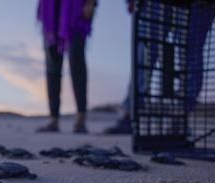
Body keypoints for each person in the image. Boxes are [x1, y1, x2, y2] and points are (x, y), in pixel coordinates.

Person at [103, 0, 215, 134]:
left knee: (191, 53)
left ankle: (179, 118)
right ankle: (130, 114)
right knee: (146, 49)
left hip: (197, 5)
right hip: (155, 3)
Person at [36, 0, 97, 133]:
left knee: (76, 61)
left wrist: (91, 2)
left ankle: (81, 118)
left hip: (75, 8)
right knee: (52, 66)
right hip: (51, 10)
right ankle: (54, 119)